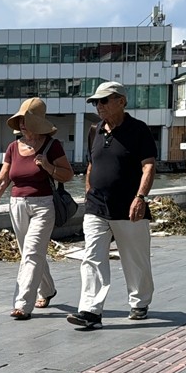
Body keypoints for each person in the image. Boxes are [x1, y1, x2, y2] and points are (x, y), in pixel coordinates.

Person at [67, 82, 157, 330]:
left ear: (121, 101)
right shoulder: (94, 130)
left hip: (129, 207)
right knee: (92, 257)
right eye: (96, 102)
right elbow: (91, 165)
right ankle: (90, 311)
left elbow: (148, 166)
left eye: (104, 101)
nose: (99, 106)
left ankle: (139, 301)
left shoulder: (138, 130)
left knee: (135, 258)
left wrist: (140, 197)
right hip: (96, 206)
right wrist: (88, 192)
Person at [0, 97, 73, 320]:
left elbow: (67, 174)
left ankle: (22, 304)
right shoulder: (13, 147)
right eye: (19, 120)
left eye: (25, 120)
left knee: (31, 253)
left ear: (37, 122)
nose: (21, 124)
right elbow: (2, 181)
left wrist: (48, 166)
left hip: (44, 205)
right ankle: (48, 290)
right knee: (29, 253)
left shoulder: (52, 145)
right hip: (17, 205)